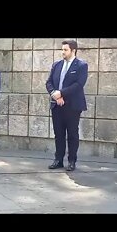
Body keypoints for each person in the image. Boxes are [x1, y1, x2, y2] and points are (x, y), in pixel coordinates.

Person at [45, 40, 88, 171]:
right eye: (62, 49)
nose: (62, 52)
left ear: (73, 50)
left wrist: (61, 93)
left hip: (72, 106)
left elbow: (79, 84)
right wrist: (54, 94)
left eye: (65, 50)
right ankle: (58, 160)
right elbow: (49, 82)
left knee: (72, 134)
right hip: (57, 105)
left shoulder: (81, 65)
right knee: (58, 134)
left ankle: (72, 161)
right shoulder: (56, 65)